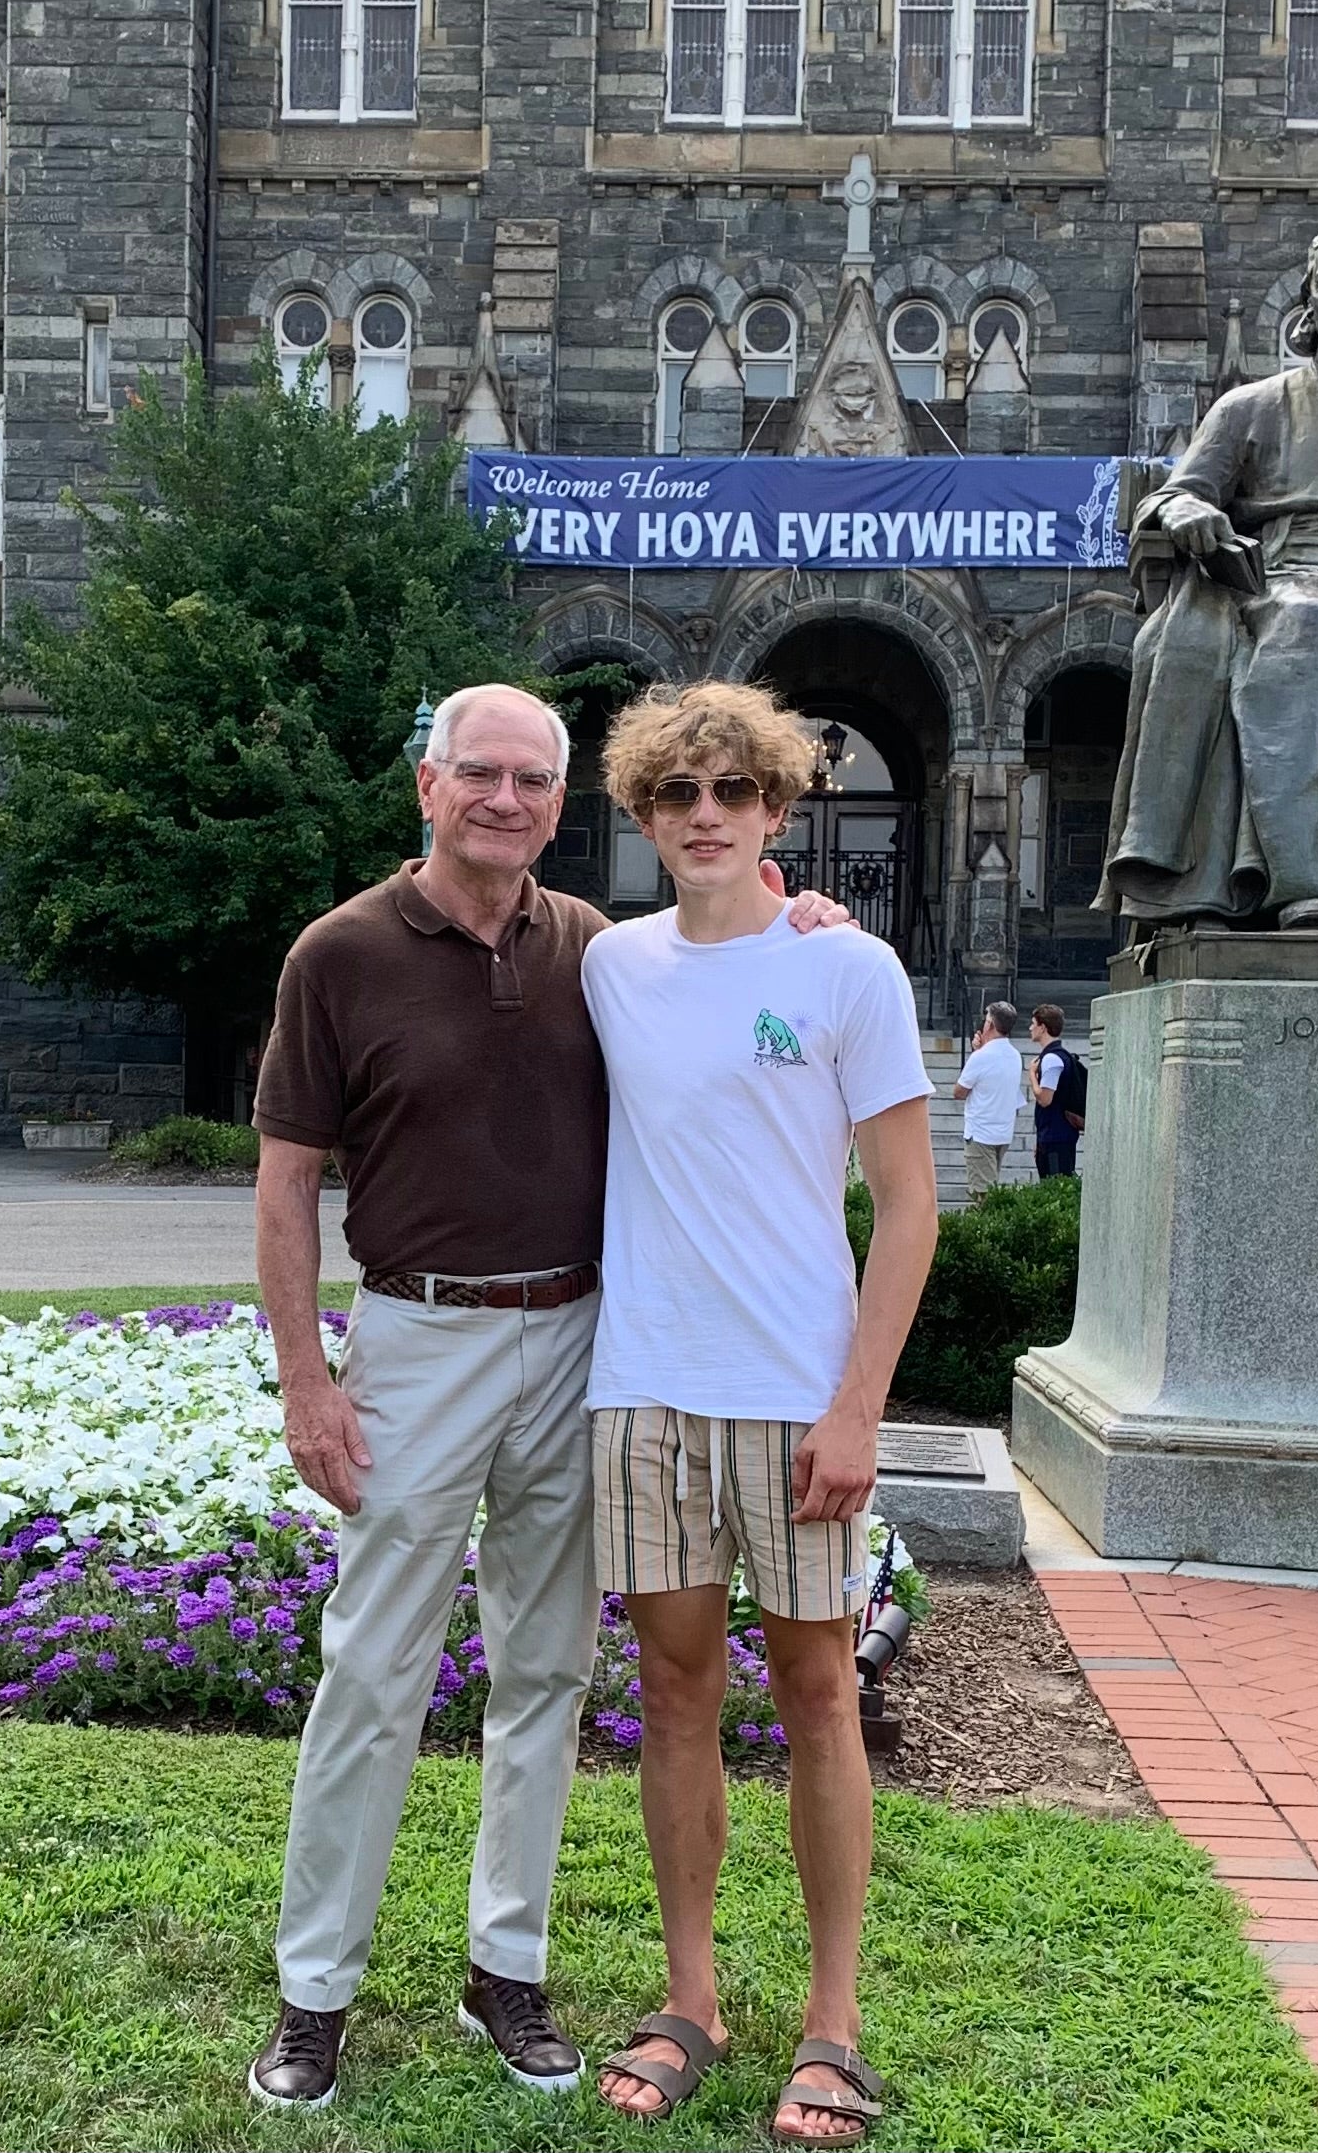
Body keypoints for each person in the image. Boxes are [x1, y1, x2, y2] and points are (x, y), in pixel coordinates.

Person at [246, 682, 848, 2112]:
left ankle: (501, 1970)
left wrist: (808, 921)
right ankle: (313, 1990)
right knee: (373, 1673)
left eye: (530, 781)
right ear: (427, 786)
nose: (503, 800)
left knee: (545, 1675)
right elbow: (284, 1185)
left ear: (562, 806)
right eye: (479, 774)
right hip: (417, 1342)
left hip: (582, 1339)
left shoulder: (597, 950)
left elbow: (731, 951)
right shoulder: (336, 954)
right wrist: (306, 1379)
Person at [580, 682, 939, 2145]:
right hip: (643, 1389)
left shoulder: (851, 973)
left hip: (795, 1399)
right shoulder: (611, 967)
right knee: (671, 1696)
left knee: (818, 1696)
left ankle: (832, 2024)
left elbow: (909, 1209)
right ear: (647, 815)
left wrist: (857, 1409)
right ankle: (690, 2002)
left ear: (780, 810)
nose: (708, 815)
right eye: (679, 795)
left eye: (736, 792)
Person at [1100, 217, 1318, 930]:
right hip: (1294, 570)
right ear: (1308, 303)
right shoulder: (1251, 406)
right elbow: (1176, 492)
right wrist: (1185, 515)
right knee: (1308, 631)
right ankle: (1303, 884)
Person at [952, 1000, 1023, 1201]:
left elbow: (959, 1091)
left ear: (990, 1024)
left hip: (981, 1133)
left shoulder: (981, 1057)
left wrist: (978, 1052)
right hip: (1002, 1132)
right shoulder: (1015, 1056)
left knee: (981, 1196)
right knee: (990, 1189)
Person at [1028, 1003, 1078, 1180]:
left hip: (1056, 1136)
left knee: (1055, 1184)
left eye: (1034, 1023)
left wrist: (1032, 1075)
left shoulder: (1052, 1059)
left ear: (1042, 1028)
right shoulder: (1060, 1055)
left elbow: (1045, 1098)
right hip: (1055, 1135)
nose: (1030, 1028)